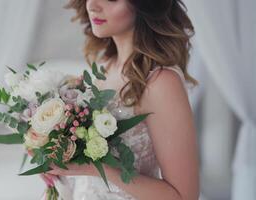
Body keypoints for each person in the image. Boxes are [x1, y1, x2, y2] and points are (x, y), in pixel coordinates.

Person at [42, 0, 200, 199]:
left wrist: (98, 169)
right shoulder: (102, 67)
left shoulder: (160, 82)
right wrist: (58, 164)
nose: (92, 5)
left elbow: (184, 196)